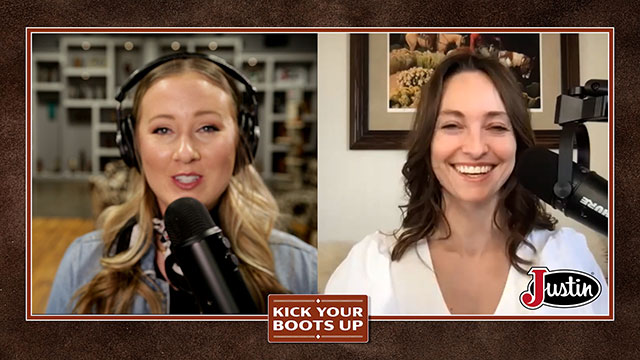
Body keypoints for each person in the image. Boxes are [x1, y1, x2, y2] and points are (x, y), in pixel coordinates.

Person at [325, 50, 608, 315]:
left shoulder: (566, 257)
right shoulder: (371, 264)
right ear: (428, 143)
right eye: (452, 126)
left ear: (518, 145)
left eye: (496, 127)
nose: (475, 148)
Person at [47, 53, 317, 314]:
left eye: (208, 128)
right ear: (133, 146)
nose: (186, 152)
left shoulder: (304, 268)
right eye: (163, 130)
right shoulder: (83, 263)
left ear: (242, 140)